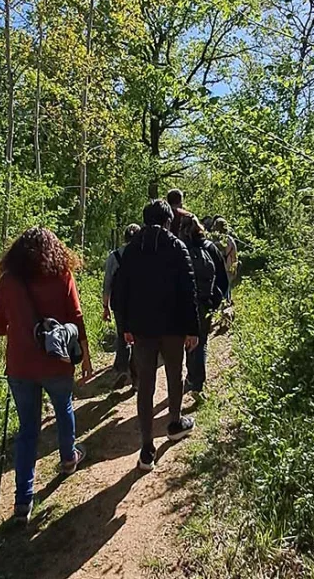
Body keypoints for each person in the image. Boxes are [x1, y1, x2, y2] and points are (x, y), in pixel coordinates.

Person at [0, 227, 93, 523]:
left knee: (28, 430)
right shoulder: (61, 273)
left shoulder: (8, 281)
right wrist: (85, 356)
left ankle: (23, 501)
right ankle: (68, 458)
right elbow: (76, 316)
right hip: (57, 361)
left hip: (21, 366)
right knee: (64, 407)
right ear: (54, 249)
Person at [117, 200, 200, 472]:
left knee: (146, 385)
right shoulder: (177, 247)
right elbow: (189, 290)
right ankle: (174, 423)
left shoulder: (132, 250)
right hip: (173, 327)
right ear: (168, 221)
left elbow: (122, 291)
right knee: (174, 375)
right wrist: (193, 329)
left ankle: (146, 448)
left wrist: (125, 326)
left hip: (142, 329)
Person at [179, 214, 228, 398]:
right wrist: (215, 300)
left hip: (185, 304)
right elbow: (223, 279)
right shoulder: (210, 248)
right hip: (206, 302)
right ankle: (197, 382)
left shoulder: (181, 249)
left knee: (187, 341)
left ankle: (192, 377)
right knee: (202, 342)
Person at [103, 223, 141, 389]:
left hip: (119, 304)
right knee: (139, 338)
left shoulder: (114, 256)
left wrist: (105, 306)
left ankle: (122, 369)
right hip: (139, 304)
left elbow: (107, 284)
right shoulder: (145, 256)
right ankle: (136, 378)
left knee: (122, 335)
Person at [211, 217, 238, 300]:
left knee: (222, 288)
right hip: (229, 267)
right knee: (227, 288)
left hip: (221, 268)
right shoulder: (230, 239)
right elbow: (234, 255)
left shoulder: (215, 240)